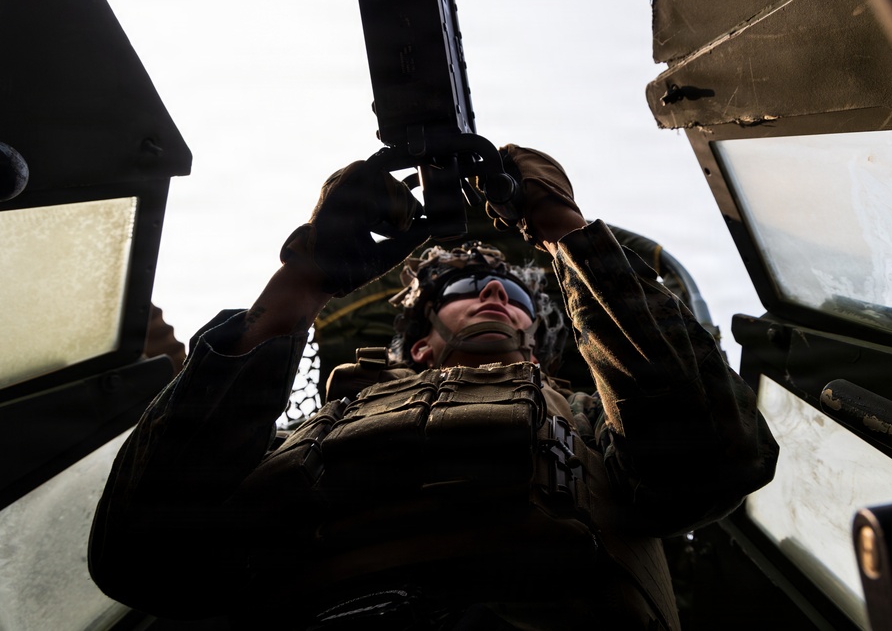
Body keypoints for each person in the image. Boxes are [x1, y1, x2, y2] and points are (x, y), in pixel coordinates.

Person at [89, 145, 779, 630]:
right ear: (418, 344)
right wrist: (303, 280)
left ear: (537, 345)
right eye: (466, 289)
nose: (492, 291)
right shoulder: (294, 439)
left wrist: (565, 232)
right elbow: (141, 551)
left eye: (512, 291)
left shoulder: (590, 419)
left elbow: (715, 457)